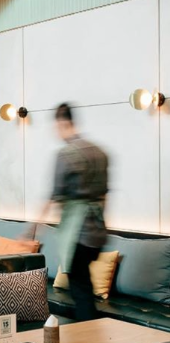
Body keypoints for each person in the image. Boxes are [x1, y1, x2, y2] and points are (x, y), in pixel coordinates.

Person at [40, 103, 109, 321]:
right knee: (83, 285)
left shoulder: (66, 154)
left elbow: (55, 196)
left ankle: (89, 337)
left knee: (81, 292)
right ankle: (90, 332)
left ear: (62, 123)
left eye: (56, 127)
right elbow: (104, 196)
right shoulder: (100, 153)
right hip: (97, 234)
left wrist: (34, 229)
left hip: (77, 234)